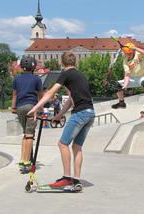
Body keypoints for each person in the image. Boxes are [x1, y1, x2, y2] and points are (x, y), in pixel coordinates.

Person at [28, 52, 95, 192]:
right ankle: (76, 181)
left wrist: (35, 108)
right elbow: (71, 100)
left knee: (62, 144)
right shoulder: (80, 75)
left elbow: (50, 92)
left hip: (81, 113)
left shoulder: (66, 73)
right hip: (90, 113)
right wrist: (58, 115)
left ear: (62, 63)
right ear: (75, 62)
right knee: (77, 147)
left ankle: (66, 178)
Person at [103, 42, 144, 111]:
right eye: (126, 54)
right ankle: (121, 103)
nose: (128, 55)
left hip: (143, 76)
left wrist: (135, 48)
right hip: (133, 79)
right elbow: (127, 75)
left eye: (129, 54)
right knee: (117, 85)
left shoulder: (138, 55)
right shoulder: (125, 61)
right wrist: (125, 85)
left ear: (133, 52)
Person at [11, 56, 43, 173]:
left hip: (19, 107)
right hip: (31, 107)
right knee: (29, 135)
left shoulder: (16, 79)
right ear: (33, 67)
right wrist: (42, 109)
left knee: (25, 134)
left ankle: (23, 159)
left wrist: (13, 107)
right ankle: (26, 162)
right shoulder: (36, 79)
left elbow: (14, 95)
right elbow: (40, 95)